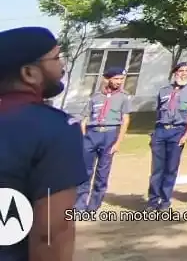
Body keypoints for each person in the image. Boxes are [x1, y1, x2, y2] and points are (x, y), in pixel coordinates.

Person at [0, 27, 88, 261]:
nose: (62, 66)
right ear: (29, 73)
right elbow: (51, 233)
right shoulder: (54, 128)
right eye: (56, 58)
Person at [146, 60, 187, 211]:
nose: (184, 73)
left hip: (178, 131)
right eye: (181, 70)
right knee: (157, 169)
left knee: (171, 168)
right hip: (160, 131)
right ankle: (153, 201)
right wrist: (154, 132)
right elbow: (159, 111)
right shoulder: (163, 90)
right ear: (175, 72)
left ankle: (165, 201)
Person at [75, 67, 133, 213]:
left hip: (109, 134)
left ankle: (93, 206)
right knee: (84, 171)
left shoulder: (124, 98)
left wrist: (118, 142)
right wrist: (83, 136)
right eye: (116, 79)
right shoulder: (95, 97)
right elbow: (84, 118)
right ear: (107, 79)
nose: (119, 82)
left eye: (121, 79)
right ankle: (79, 205)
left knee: (102, 173)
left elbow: (125, 121)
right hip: (92, 134)